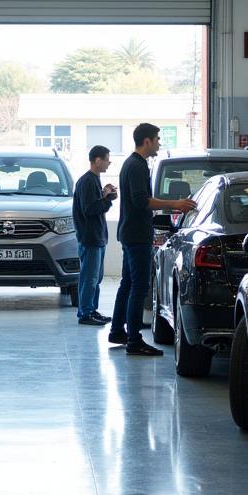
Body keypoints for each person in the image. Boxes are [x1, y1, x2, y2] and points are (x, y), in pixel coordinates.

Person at [109, 122, 197, 356]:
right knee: (139, 287)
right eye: (157, 139)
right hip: (136, 235)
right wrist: (175, 204)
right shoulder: (136, 166)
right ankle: (134, 340)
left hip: (130, 232)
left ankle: (118, 330)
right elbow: (141, 200)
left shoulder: (132, 164)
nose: (159, 143)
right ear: (146, 141)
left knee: (127, 283)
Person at [72, 145, 117, 327]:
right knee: (89, 278)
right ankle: (85, 313)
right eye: (107, 159)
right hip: (90, 237)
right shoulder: (87, 181)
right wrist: (106, 199)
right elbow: (90, 209)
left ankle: (92, 309)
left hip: (97, 237)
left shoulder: (94, 180)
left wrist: (104, 194)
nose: (109, 163)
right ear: (97, 160)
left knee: (96, 278)